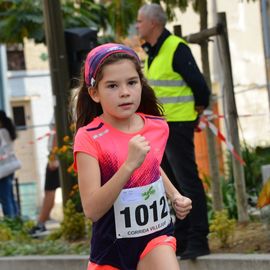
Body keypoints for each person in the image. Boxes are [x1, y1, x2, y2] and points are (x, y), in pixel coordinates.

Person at [73, 43, 192, 270]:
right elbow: (92, 209)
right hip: (111, 250)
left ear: (140, 84)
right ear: (94, 93)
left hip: (155, 237)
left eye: (131, 82)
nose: (125, 92)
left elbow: (152, 165)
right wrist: (128, 165)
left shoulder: (157, 127)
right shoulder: (89, 138)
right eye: (112, 86)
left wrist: (175, 195)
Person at [136, 3, 211, 260]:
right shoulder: (152, 53)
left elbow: (200, 87)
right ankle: (181, 238)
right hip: (161, 128)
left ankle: (199, 238)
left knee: (187, 181)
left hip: (178, 125)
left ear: (153, 23)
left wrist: (197, 112)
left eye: (139, 21)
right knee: (173, 185)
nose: (137, 26)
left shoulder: (175, 47)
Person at [29, 122, 60, 237]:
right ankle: (41, 223)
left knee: (49, 191)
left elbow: (57, 133)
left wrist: (53, 157)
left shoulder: (61, 108)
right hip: (59, 155)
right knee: (49, 191)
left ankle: (40, 224)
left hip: (57, 158)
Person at [0, 110, 19, 218]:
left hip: (3, 169)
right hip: (10, 167)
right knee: (10, 196)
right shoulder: (7, 131)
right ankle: (16, 220)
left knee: (5, 198)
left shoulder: (1, 132)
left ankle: (11, 221)